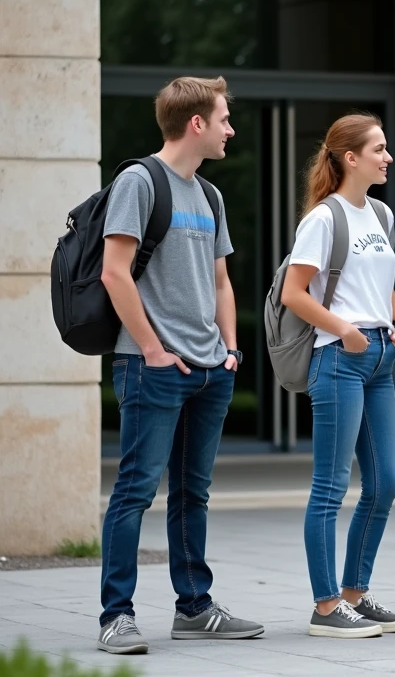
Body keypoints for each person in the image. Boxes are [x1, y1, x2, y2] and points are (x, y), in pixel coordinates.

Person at [97, 76, 263, 654]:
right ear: (197, 124)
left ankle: (194, 606)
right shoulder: (139, 182)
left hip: (210, 368)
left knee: (193, 493)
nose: (229, 129)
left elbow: (221, 279)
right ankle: (116, 616)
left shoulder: (210, 195)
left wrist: (231, 348)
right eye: (223, 119)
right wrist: (150, 348)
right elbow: (114, 273)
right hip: (153, 367)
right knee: (135, 492)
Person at [280, 112, 395, 639]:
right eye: (378, 149)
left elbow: (378, 281)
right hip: (339, 357)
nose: (388, 157)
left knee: (385, 483)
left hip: (380, 357)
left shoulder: (380, 214)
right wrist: (346, 330)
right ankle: (327, 606)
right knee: (330, 488)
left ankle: (355, 594)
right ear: (350, 158)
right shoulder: (323, 219)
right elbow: (294, 293)